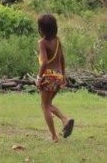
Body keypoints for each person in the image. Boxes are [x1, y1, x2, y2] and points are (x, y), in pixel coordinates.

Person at [35, 13, 74, 142]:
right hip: (57, 76)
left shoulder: (42, 42)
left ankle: (54, 135)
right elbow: (62, 59)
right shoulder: (57, 41)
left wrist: (39, 77)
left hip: (48, 76)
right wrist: (63, 76)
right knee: (47, 104)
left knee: (45, 107)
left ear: (41, 28)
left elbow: (45, 62)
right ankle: (64, 120)